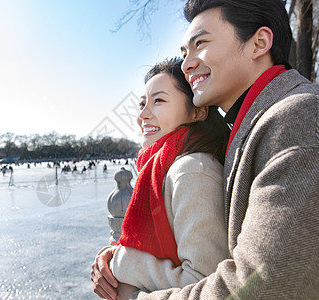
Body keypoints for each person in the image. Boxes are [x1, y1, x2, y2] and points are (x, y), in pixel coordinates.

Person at [91, 0, 319, 299]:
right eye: (185, 52)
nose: (187, 64)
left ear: (259, 43)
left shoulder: (297, 117)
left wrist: (132, 293)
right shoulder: (255, 123)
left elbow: (263, 286)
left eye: (201, 43)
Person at [92, 57, 230, 298]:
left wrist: (125, 269)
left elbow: (206, 282)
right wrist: (113, 255)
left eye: (159, 101)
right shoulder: (165, 166)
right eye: (142, 103)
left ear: (197, 111)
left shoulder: (192, 171)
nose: (143, 115)